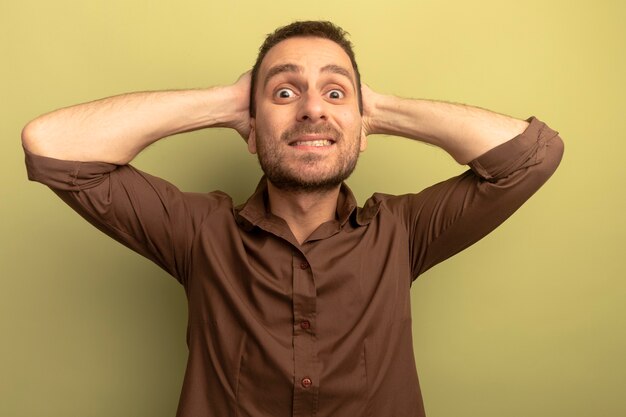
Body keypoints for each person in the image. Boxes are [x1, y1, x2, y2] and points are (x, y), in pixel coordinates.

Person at [22, 20, 564, 417]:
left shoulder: (402, 233)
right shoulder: (199, 233)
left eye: (334, 93)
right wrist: (227, 101)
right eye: (284, 92)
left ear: (362, 126)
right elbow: (51, 145)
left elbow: (531, 157)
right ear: (251, 128)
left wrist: (375, 110)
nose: (311, 109)